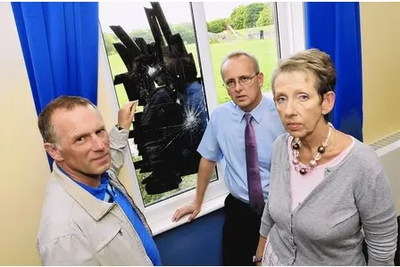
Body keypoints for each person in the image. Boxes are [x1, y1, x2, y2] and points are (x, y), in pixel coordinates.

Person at [255, 48, 398, 266]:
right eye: (281, 99)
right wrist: (259, 257)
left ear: (326, 102)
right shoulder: (280, 147)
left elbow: (382, 243)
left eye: (302, 97)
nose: (289, 110)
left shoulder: (361, 163)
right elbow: (271, 211)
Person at [172, 51, 286, 265]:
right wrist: (197, 200)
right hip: (239, 213)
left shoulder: (282, 114)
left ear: (259, 79)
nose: (238, 88)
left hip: (277, 211)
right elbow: (208, 159)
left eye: (244, 78)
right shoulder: (220, 117)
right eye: (230, 82)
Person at [36, 95, 162, 266]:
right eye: (80, 139)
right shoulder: (63, 235)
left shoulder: (94, 173)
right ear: (54, 151)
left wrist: (121, 127)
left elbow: (113, 159)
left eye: (99, 131)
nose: (100, 146)